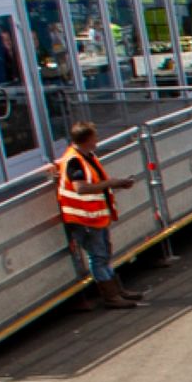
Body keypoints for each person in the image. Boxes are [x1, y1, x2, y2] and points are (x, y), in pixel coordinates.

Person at [53, 119, 142, 307]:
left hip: (95, 216)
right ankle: (111, 296)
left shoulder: (86, 156)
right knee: (98, 256)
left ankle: (117, 291)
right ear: (86, 139)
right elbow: (81, 188)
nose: (97, 141)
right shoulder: (75, 161)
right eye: (95, 137)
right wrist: (113, 183)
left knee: (104, 254)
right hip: (84, 218)